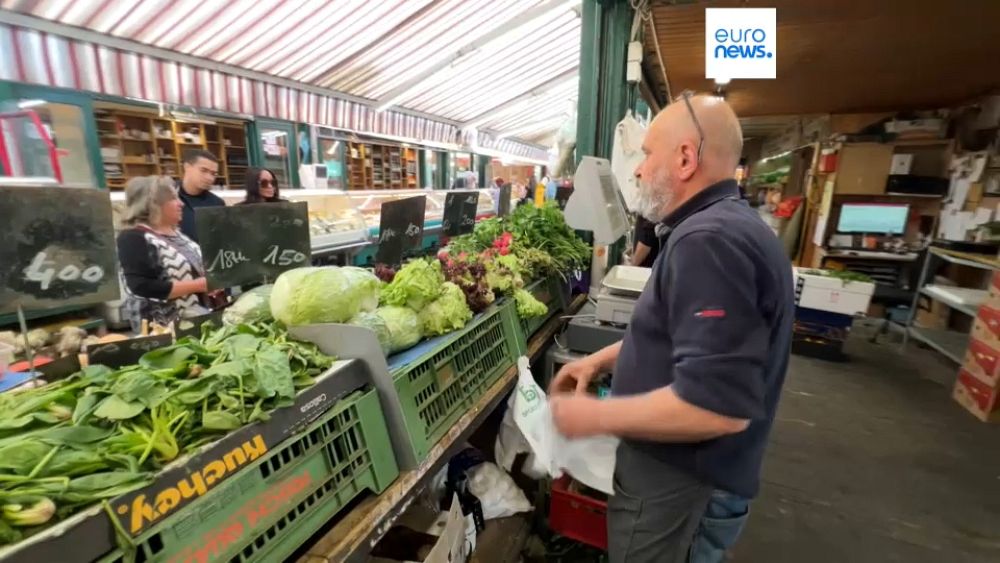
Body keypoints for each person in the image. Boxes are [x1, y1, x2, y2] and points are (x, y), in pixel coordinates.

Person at [549, 92, 794, 563]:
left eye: (646, 154)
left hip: (681, 483)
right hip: (688, 477)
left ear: (685, 157)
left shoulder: (709, 242)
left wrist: (591, 417)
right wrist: (605, 359)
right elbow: (691, 339)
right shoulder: (719, 225)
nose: (639, 170)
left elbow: (717, 407)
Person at [116, 176, 210, 333]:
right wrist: (199, 285)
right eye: (174, 198)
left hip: (195, 319)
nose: (181, 204)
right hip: (162, 328)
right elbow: (141, 286)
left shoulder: (177, 234)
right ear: (154, 204)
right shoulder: (133, 237)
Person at [177, 149, 223, 242]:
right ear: (187, 167)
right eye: (203, 170)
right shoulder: (167, 197)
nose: (209, 178)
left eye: (213, 174)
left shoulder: (217, 203)